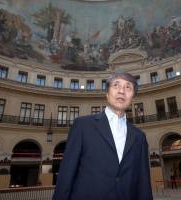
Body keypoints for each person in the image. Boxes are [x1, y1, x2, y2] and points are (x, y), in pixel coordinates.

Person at [52, 72, 153, 200]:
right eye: (116, 85)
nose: (122, 91)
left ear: (133, 97)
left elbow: (143, 182)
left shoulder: (139, 137)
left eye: (128, 87)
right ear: (107, 93)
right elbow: (66, 174)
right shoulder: (82, 126)